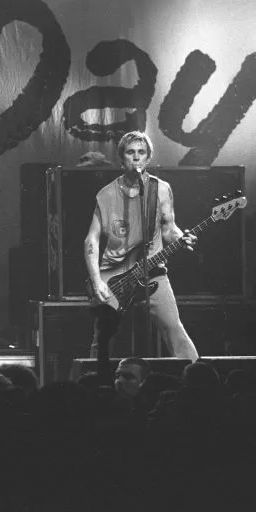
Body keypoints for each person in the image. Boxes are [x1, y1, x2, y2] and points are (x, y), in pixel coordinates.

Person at [84, 131, 198, 381]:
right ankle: (92, 385)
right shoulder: (106, 194)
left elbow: (169, 229)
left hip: (153, 274)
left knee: (173, 329)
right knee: (103, 339)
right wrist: (96, 281)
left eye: (141, 153)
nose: (136, 158)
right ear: (122, 159)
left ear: (148, 158)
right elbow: (91, 240)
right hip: (114, 277)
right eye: (130, 153)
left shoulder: (161, 189)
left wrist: (182, 238)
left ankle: (197, 379)